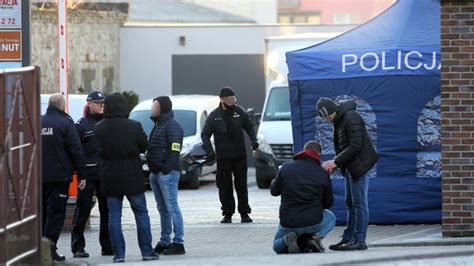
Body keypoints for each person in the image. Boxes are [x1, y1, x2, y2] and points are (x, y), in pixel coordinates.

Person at [94, 92, 159, 263]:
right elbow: (144, 146)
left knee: (114, 216)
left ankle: (119, 255)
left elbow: (97, 150)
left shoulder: (99, 127)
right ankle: (147, 251)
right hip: (132, 175)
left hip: (109, 176)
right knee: (141, 213)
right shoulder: (134, 126)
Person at [316, 97, 378, 251]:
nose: (326, 119)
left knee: (359, 204)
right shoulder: (338, 120)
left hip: (359, 166)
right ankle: (349, 238)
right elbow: (344, 146)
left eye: (326, 116)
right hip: (350, 166)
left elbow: (355, 145)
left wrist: (336, 162)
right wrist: (339, 164)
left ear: (333, 111)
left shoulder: (351, 117)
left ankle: (359, 240)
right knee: (350, 203)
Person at [201, 87, 259, 223]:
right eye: (229, 99)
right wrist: (210, 151)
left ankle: (244, 213)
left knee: (241, 186)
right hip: (223, 157)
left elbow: (249, 126)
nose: (232, 102)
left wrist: (254, 140)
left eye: (234, 99)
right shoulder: (214, 116)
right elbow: (205, 135)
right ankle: (227, 214)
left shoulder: (240, 111)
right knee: (225, 186)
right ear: (221, 99)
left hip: (240, 155)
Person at [41, 93, 87, 262]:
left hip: (39, 178)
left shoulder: (39, 121)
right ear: (62, 106)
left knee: (42, 213)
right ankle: (50, 251)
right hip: (59, 178)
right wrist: (82, 174)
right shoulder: (65, 123)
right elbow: (76, 150)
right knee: (56, 215)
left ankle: (40, 248)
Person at [271, 141, 335, 254]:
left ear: (304, 151)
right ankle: (314, 239)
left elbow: (274, 192)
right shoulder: (323, 173)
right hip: (313, 221)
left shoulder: (286, 167)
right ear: (318, 154)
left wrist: (275, 179)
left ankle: (286, 240)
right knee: (331, 218)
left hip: (289, 221)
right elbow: (328, 203)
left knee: (277, 245)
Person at [71, 91, 113, 258]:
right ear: (89, 103)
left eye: (103, 102)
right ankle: (78, 247)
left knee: (107, 211)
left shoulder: (108, 123)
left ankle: (107, 246)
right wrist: (79, 174)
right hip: (88, 175)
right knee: (83, 210)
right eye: (98, 102)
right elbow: (76, 151)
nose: (102, 105)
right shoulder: (81, 125)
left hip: (105, 173)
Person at [147, 96, 186, 255]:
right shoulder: (158, 124)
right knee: (162, 209)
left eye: (155, 105)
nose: (152, 108)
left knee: (172, 208)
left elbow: (174, 150)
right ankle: (165, 241)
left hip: (167, 174)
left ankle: (178, 242)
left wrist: (165, 169)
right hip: (156, 173)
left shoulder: (173, 126)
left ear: (162, 107)